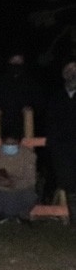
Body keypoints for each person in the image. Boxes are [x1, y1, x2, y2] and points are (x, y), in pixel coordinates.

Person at [0, 125, 37, 224]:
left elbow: (31, 180)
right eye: (7, 143)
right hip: (1, 194)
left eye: (13, 144)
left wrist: (13, 182)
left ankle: (23, 215)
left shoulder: (28, 155)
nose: (10, 146)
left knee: (31, 194)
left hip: (19, 194)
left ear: (19, 143)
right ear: (2, 142)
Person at [46, 58, 76, 227]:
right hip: (63, 149)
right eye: (70, 70)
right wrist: (55, 145)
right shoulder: (56, 97)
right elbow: (50, 123)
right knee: (70, 185)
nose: (73, 73)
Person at [0, 50, 39, 134]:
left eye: (19, 60)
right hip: (0, 123)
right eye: (14, 60)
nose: (16, 63)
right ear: (8, 61)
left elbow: (37, 100)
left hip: (23, 124)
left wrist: (31, 108)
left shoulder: (30, 82)